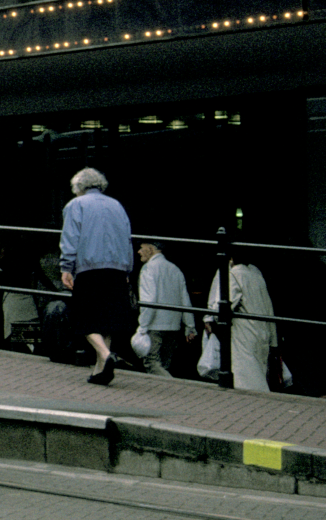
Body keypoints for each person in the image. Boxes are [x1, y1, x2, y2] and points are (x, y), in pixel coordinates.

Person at [58, 167, 133, 385]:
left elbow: (70, 237)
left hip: (89, 267)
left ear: (79, 187)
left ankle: (106, 355)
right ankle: (100, 370)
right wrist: (127, 268)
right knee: (107, 319)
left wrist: (66, 267)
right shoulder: (116, 205)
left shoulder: (76, 205)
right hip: (117, 268)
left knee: (84, 316)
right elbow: (127, 238)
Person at [205, 257, 278, 392]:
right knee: (259, 376)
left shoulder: (234, 274)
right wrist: (274, 341)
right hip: (262, 333)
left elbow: (223, 309)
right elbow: (269, 308)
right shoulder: (256, 273)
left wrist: (213, 313)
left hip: (243, 335)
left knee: (246, 382)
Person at [135, 241, 197, 377]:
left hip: (155, 325)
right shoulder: (175, 269)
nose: (138, 251)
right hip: (173, 326)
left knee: (152, 363)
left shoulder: (148, 269)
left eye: (141, 248)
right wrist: (190, 326)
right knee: (164, 364)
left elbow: (149, 300)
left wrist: (142, 327)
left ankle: (176, 388)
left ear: (150, 249)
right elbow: (185, 299)